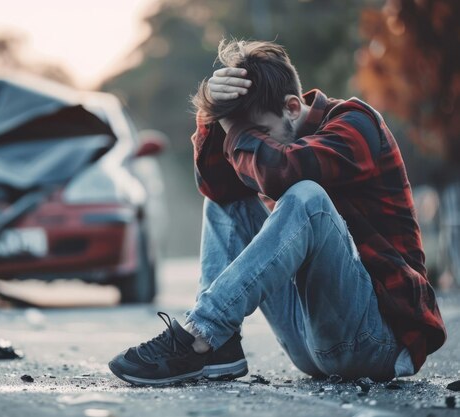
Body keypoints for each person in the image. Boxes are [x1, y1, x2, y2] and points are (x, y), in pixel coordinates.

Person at [108, 39, 446, 386]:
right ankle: (218, 348)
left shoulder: (356, 124)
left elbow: (284, 171)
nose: (254, 148)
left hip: (377, 343)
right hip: (312, 344)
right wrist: (213, 115)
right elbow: (218, 188)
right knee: (227, 200)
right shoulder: (275, 130)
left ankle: (199, 334)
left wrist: (239, 134)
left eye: (262, 135)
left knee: (307, 196)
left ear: (293, 107)